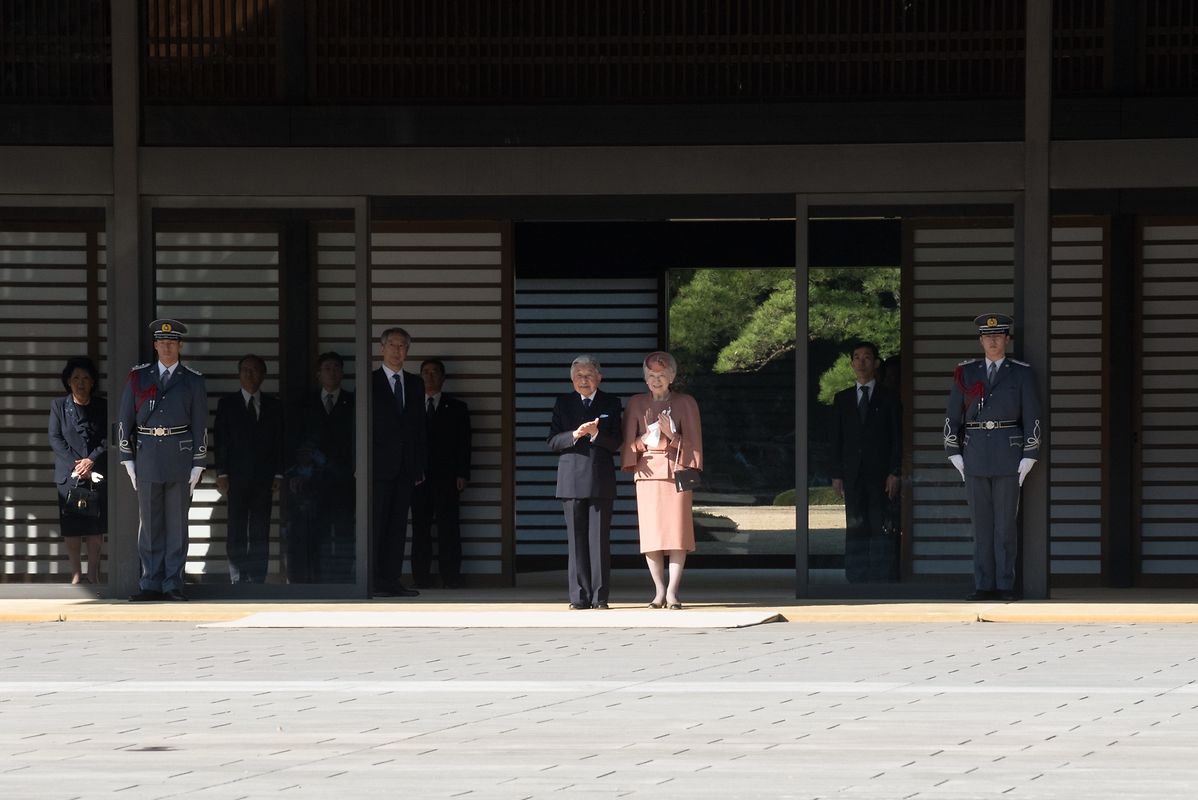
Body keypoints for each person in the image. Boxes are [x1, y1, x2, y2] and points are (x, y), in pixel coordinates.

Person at [944, 313, 1042, 602]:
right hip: (974, 454)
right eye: (988, 337)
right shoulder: (966, 372)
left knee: (1005, 527)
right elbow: (953, 415)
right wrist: (953, 451)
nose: (993, 341)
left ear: (1007, 339)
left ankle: (1004, 586)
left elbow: (1033, 415)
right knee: (982, 526)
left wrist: (1030, 453)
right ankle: (983, 585)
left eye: (999, 336)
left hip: (1008, 452)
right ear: (980, 341)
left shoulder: (1021, 372)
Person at [118, 319, 207, 602]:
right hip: (147, 456)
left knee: (178, 525)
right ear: (155, 345)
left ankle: (172, 583)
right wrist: (127, 458)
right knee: (149, 525)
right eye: (162, 342)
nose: (167, 347)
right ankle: (150, 583)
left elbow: (200, 423)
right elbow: (125, 420)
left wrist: (198, 462)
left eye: (172, 342)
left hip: (179, 456)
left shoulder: (192, 379)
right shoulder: (139, 378)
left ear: (180, 345)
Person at [620, 351, 702, 610]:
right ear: (645, 379)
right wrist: (642, 441)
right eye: (652, 376)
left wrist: (672, 435)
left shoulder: (686, 402)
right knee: (652, 534)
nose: (657, 380)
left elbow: (695, 445)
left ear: (672, 377)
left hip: (677, 471)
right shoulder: (636, 403)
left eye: (662, 375)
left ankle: (674, 592)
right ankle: (658, 591)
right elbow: (627, 446)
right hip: (647, 473)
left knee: (678, 534)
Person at [548, 354, 623, 609]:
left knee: (599, 540)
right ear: (572, 379)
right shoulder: (563, 403)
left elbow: (616, 443)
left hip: (600, 479)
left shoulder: (611, 403)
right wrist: (574, 434)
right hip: (570, 479)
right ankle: (578, 597)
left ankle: (600, 597)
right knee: (576, 540)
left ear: (599, 377)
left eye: (589, 375)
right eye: (579, 375)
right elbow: (552, 442)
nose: (584, 380)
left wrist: (596, 434)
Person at [828, 341, 901, 583]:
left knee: (879, 522)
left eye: (867, 357)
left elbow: (896, 437)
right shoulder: (842, 399)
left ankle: (880, 573)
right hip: (852, 471)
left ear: (876, 363)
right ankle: (856, 573)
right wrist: (836, 473)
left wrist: (894, 471)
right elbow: (836, 438)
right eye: (857, 358)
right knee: (855, 522)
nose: (861, 362)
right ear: (851, 364)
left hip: (880, 472)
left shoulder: (889, 398)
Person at [286, 351, 355, 583]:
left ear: (343, 373)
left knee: (345, 531)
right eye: (327, 368)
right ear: (318, 374)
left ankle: (345, 579)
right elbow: (295, 440)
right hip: (312, 480)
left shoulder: (354, 402)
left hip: (344, 478)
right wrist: (297, 471)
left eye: (337, 367)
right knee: (317, 532)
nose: (332, 372)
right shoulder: (305, 403)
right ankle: (317, 580)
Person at [214, 354, 284, 583]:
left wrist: (279, 473)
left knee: (260, 531)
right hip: (236, 477)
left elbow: (280, 442)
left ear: (264, 375)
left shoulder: (274, 405)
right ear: (239, 374)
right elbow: (221, 440)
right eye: (246, 370)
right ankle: (237, 578)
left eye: (255, 371)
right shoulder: (227, 404)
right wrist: (222, 473)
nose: (250, 375)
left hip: (264, 478)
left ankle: (257, 579)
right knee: (236, 529)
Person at [371, 327, 427, 597]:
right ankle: (371, 580)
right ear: (382, 348)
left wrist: (418, 465)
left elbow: (419, 429)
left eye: (403, 346)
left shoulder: (415, 383)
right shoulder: (369, 381)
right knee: (376, 524)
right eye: (392, 345)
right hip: (377, 467)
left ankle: (391, 579)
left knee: (397, 526)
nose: (397, 351)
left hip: (405, 466)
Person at [411, 358, 472, 589]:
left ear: (443, 378)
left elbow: (464, 443)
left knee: (449, 528)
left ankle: (451, 576)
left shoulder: (457, 407)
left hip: (448, 477)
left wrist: (462, 474)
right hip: (419, 476)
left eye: (435, 372)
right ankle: (421, 578)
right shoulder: (412, 406)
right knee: (420, 528)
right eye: (425, 372)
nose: (430, 376)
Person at [48, 356, 107, 584]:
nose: (80, 383)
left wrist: (90, 461)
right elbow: (55, 438)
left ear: (93, 382)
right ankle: (76, 574)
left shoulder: (102, 406)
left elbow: (107, 438)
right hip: (68, 475)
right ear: (68, 382)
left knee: (95, 528)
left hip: (96, 474)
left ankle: (93, 575)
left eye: (85, 378)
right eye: (75, 378)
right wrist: (78, 463)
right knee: (71, 529)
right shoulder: (59, 406)